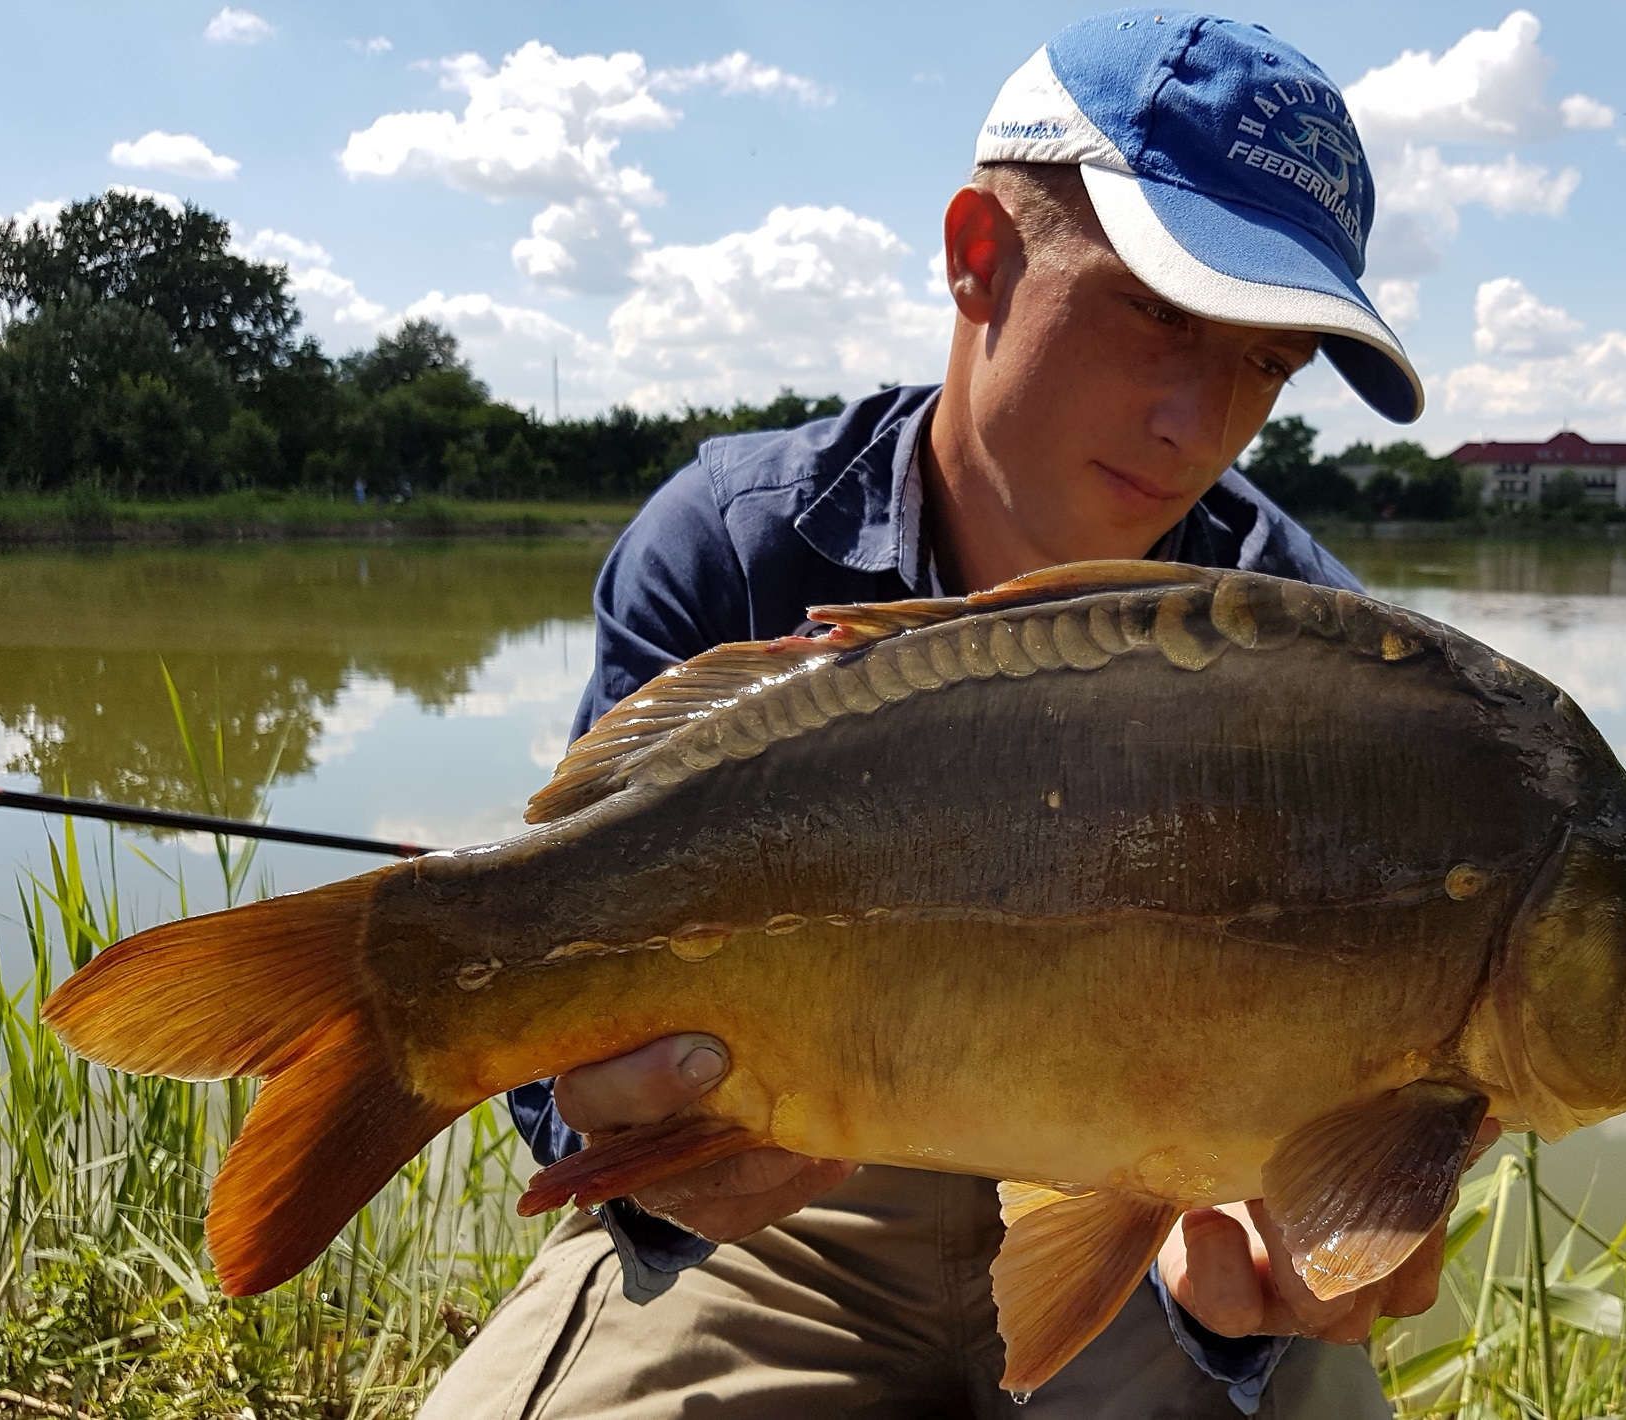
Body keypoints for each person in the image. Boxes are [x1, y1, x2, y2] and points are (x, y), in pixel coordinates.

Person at [422, 9, 1495, 1417]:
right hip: (793, 1225)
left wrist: (1267, 1278)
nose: (1197, 418)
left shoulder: (1320, 666)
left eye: (1264, 363)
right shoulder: (738, 547)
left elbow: (1349, 1135)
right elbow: (565, 1046)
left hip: (1135, 1201)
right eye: (1161, 313)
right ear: (978, 257)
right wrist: (630, 1136)